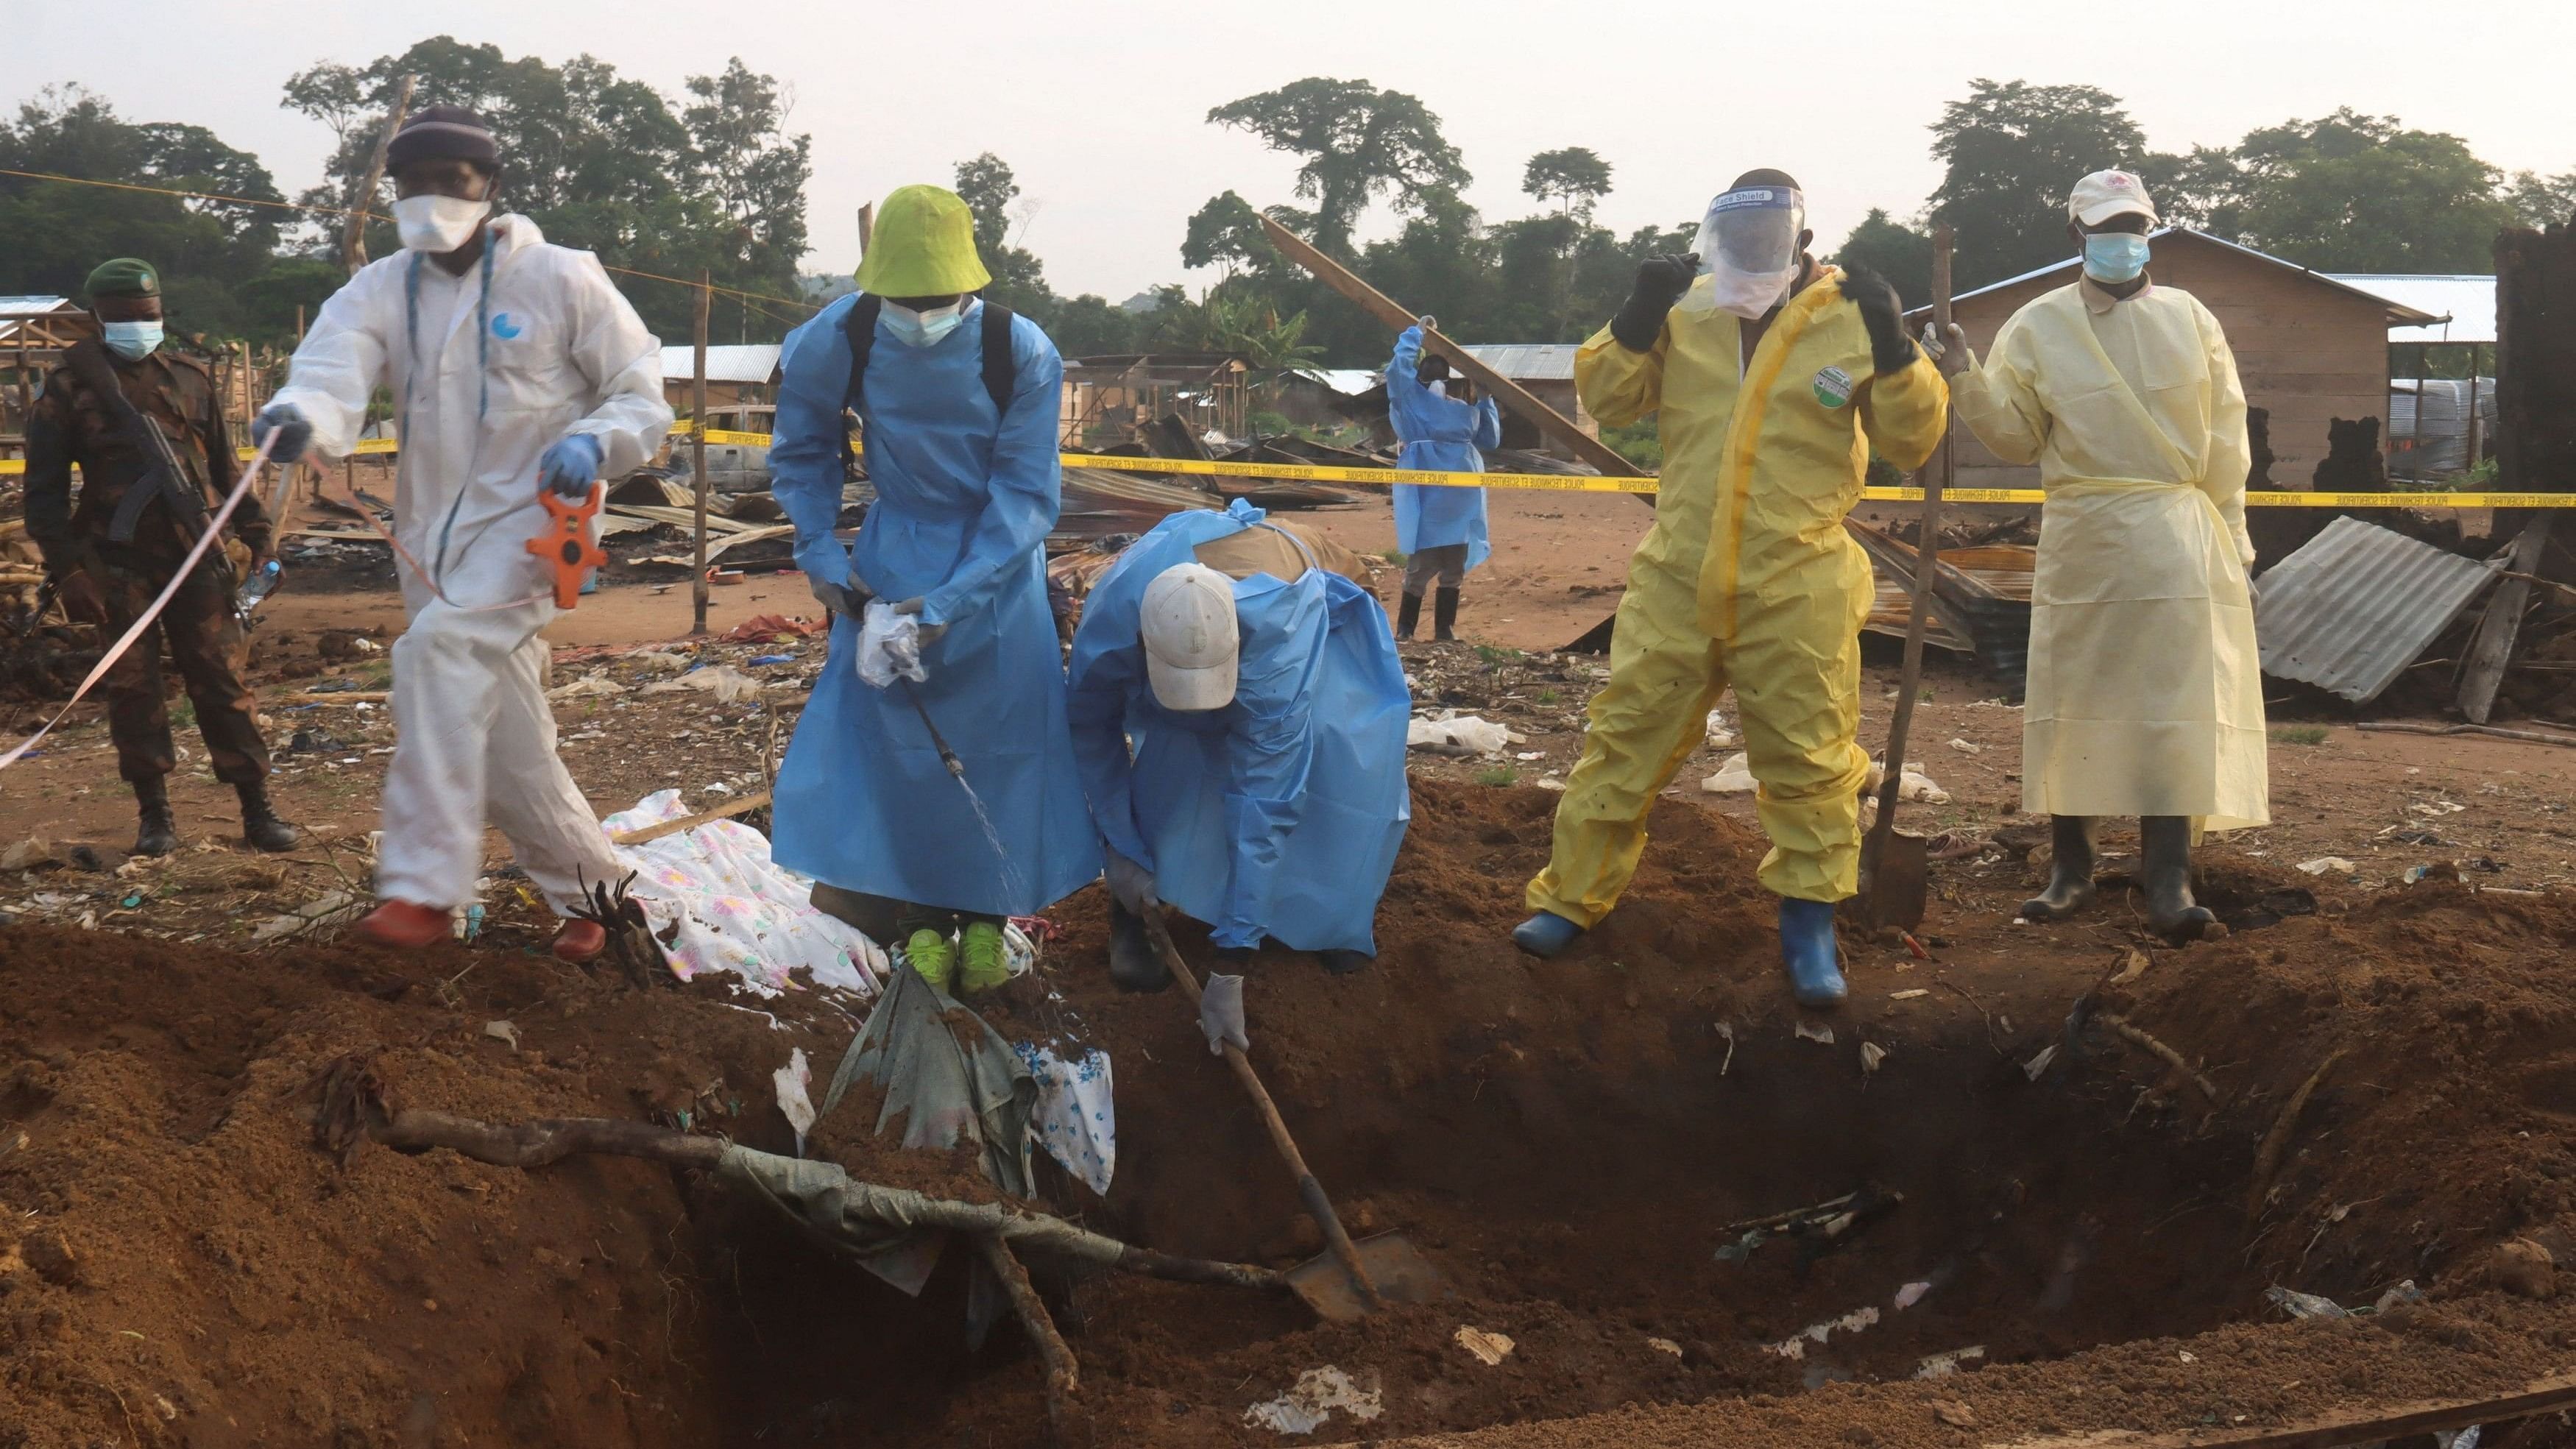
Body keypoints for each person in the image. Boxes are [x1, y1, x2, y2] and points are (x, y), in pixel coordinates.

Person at [1510, 170, 1949, 1008]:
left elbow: (1911, 437)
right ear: (1715, 245)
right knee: (1626, 736)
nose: (1749, 265)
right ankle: (1569, 897)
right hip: (1679, 571)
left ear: (1801, 243)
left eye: (1764, 248)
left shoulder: (1850, 318)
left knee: (1808, 755)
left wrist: (1897, 349)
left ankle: (1809, 919)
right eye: (1735, 250)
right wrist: (1636, 314)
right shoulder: (1689, 312)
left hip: (1797, 580)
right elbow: (1609, 395)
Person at [251, 106, 672, 960]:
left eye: (454, 181)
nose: (433, 199)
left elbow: (640, 390)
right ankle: (600, 896)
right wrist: (301, 416)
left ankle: (424, 887)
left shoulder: (560, 277)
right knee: (509, 733)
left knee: (433, 655)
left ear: (491, 189)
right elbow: (331, 367)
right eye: (416, 184)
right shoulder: (380, 287)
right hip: (429, 541)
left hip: (535, 528)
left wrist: (597, 438)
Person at [768, 184, 1100, 995]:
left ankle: (986, 922)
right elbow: (803, 449)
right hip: (887, 561)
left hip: (996, 570)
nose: (922, 313)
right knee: (898, 752)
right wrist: (819, 551)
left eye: (937, 298)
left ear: (969, 285)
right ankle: (917, 920)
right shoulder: (836, 337)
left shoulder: (1018, 350)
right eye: (906, 300)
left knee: (1003, 750)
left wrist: (954, 601)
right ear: (878, 289)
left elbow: (1023, 492)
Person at [1928, 170, 2266, 935]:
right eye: (2106, 225)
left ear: (2149, 229)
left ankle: (2168, 880)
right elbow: (2015, 437)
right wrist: (1963, 374)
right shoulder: (2036, 324)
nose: (2122, 239)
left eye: (2134, 224)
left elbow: (2225, 442)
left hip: (2177, 537)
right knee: (2074, 697)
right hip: (2084, 532)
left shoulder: (2192, 319)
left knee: (2174, 705)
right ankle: (2068, 870)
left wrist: (2234, 545)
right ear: (2075, 234)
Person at [1067, 500, 1407, 990]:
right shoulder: (1110, 631)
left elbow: (1265, 802)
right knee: (1172, 755)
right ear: (1141, 646)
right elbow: (1091, 734)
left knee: (1335, 750)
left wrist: (1233, 961)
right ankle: (1132, 912)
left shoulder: (1276, 651)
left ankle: (1329, 909)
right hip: (1196, 600)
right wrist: (1121, 848)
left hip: (1314, 593)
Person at [23, 258, 298, 857]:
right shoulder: (68, 391)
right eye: (123, 318)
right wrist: (69, 570)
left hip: (198, 558)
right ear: (98, 319)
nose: (139, 326)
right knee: (133, 690)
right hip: (116, 567)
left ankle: (257, 809)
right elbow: (41, 500)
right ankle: (155, 817)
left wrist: (260, 538)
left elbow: (226, 470)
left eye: (147, 315)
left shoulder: (190, 379)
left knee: (223, 682)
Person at [1385, 322, 1500, 641]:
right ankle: (1413, 631)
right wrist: (1414, 334)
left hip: (1458, 497)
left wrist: (1485, 400)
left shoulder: (1457, 409)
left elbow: (1489, 440)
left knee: (1449, 568)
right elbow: (1397, 368)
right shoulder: (1411, 401)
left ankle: (1438, 632)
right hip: (1436, 495)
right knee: (1426, 567)